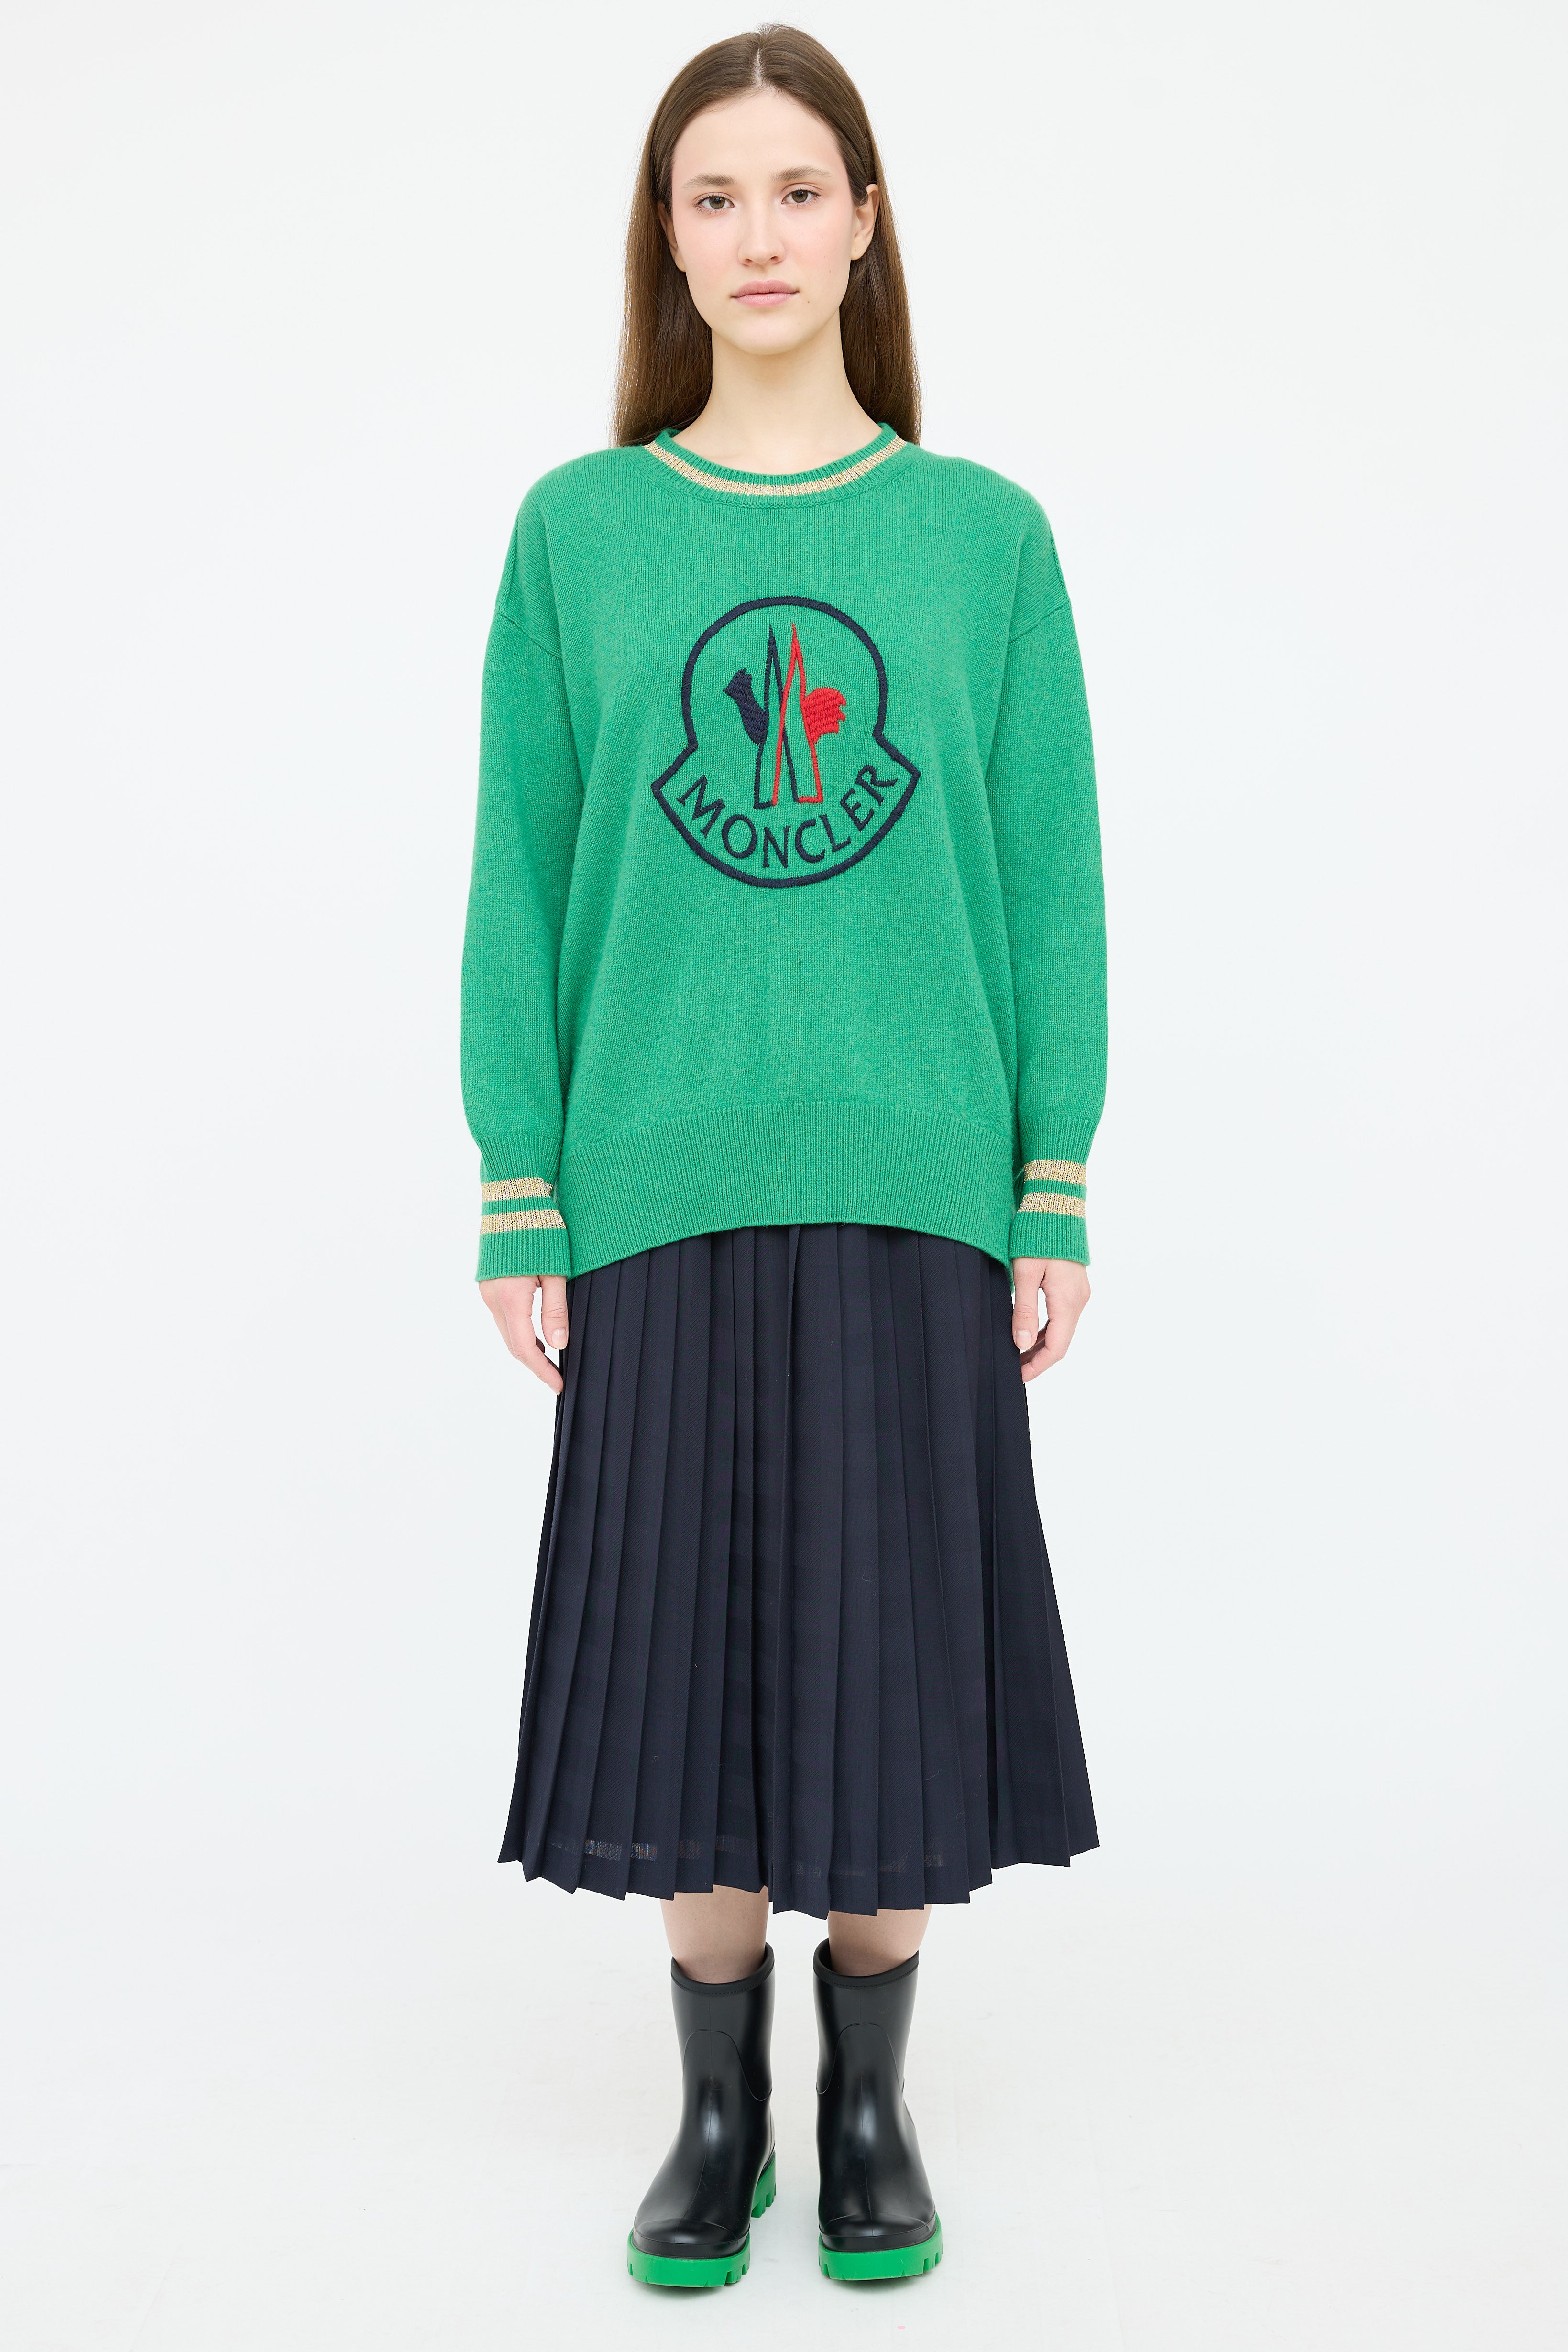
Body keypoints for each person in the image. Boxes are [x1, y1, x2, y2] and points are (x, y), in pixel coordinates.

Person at [460, 23, 1107, 2292]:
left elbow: (1048, 877)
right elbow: (521, 871)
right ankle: (718, 2109)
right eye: (713, 195)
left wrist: (1050, 1178)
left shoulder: (982, 538)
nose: (758, 234)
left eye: (797, 190)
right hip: (652, 1179)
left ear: (863, 224)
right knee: (690, 1664)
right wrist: (522, 1179)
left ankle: (867, 2105)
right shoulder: (580, 533)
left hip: (917, 1180)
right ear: (670, 236)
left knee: (888, 1652)